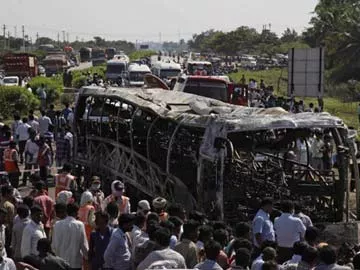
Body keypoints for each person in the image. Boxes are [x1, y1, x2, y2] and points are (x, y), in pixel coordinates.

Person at [52, 203, 89, 270]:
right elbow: (84, 245)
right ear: (76, 212)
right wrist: (87, 257)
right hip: (75, 263)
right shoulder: (79, 225)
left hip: (60, 262)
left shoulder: (57, 225)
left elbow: (54, 245)